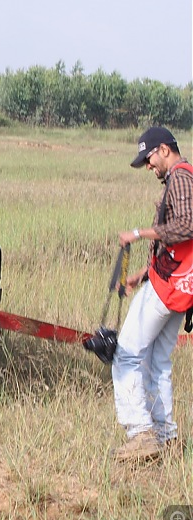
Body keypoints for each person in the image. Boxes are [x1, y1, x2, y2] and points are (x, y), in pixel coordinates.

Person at [111, 126, 193, 462]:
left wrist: (138, 233)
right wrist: (142, 275)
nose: (148, 166)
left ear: (163, 149)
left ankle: (141, 432)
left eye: (148, 158)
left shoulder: (181, 177)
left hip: (169, 285)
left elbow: (188, 224)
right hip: (179, 285)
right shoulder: (181, 178)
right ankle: (165, 436)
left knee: (127, 354)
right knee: (157, 361)